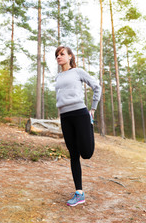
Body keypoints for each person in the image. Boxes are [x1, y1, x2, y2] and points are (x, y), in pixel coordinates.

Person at [55, 46, 101, 207]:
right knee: (73, 154)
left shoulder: (77, 72)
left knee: (86, 154)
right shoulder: (58, 76)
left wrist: (93, 109)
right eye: (57, 55)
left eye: (62, 54)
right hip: (65, 117)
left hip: (80, 114)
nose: (59, 57)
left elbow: (97, 87)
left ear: (70, 57)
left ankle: (90, 125)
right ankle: (79, 193)